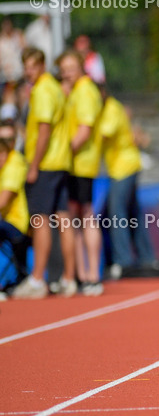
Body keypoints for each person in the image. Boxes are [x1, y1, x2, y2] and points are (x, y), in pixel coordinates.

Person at [12, 48, 76, 299]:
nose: (28, 71)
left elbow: (45, 130)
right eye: (25, 66)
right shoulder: (55, 88)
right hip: (61, 162)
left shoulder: (43, 90)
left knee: (40, 221)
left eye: (32, 66)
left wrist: (34, 164)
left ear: (41, 65)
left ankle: (38, 278)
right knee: (63, 219)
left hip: (47, 163)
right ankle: (68, 278)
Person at [97, 88, 157, 278]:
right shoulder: (112, 109)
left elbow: (102, 136)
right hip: (126, 165)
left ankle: (123, 261)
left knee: (117, 214)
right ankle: (147, 257)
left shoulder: (111, 110)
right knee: (134, 213)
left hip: (123, 168)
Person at [59, 50, 105, 296]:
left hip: (81, 163)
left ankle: (92, 275)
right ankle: (81, 274)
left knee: (85, 216)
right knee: (75, 218)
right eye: (63, 69)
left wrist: (64, 151)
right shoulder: (76, 90)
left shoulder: (86, 91)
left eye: (70, 67)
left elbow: (84, 130)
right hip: (75, 163)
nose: (66, 73)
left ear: (81, 67)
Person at [0, 122, 30, 296]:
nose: (6, 142)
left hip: (16, 224)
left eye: (9, 139)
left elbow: (3, 201)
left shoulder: (15, 162)